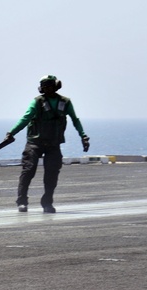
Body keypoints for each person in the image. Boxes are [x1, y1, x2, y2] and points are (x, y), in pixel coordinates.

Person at [5, 75, 89, 214]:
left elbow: (75, 119)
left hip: (53, 144)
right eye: (45, 87)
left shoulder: (65, 102)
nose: (47, 89)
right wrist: (12, 132)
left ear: (56, 86)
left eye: (50, 86)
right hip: (35, 143)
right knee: (28, 170)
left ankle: (47, 203)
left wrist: (83, 136)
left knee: (52, 174)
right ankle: (22, 201)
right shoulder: (37, 102)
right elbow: (26, 118)